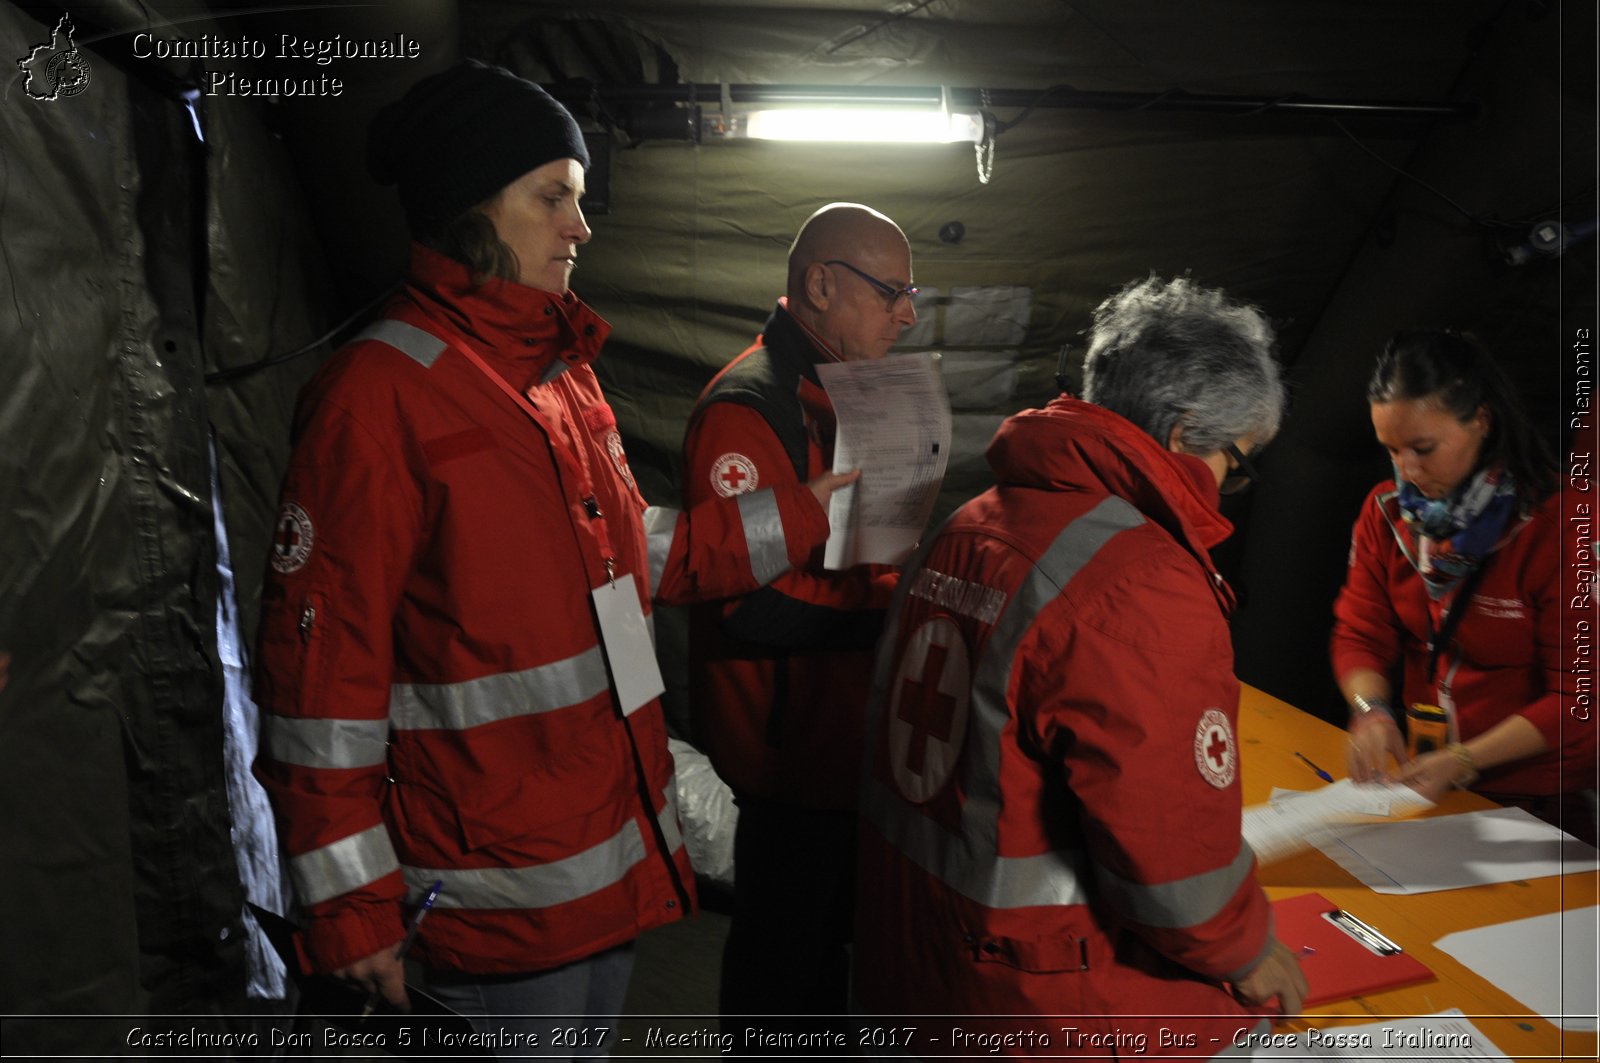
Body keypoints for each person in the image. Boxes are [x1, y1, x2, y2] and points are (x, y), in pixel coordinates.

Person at [252, 61, 855, 1048]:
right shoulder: (377, 399)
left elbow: (629, 552)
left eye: (578, 198)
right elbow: (318, 685)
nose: (580, 226)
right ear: (468, 208)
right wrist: (348, 904)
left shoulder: (558, 380)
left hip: (600, 862)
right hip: (485, 895)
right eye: (552, 197)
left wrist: (799, 515)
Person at [854, 275, 1306, 1053]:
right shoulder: (1140, 577)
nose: (1230, 490)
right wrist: (1249, 948)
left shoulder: (970, 522)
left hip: (916, 956)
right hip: (1041, 994)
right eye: (1236, 459)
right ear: (1181, 432)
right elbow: (1173, 867)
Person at [681, 203, 916, 1018]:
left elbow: (856, 558)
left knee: (832, 972)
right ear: (820, 284)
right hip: (788, 764)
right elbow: (749, 607)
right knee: (781, 979)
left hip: (845, 748)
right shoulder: (747, 410)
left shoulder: (849, 391)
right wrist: (894, 614)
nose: (909, 313)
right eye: (893, 291)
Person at [1334, 329, 1595, 838]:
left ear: (1481, 420)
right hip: (1431, 779)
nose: (1407, 472)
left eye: (1423, 448)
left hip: (1542, 800)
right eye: (1391, 450)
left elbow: (1580, 698)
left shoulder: (1567, 527)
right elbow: (1360, 634)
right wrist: (1371, 711)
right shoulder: (1387, 512)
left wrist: (1463, 759)